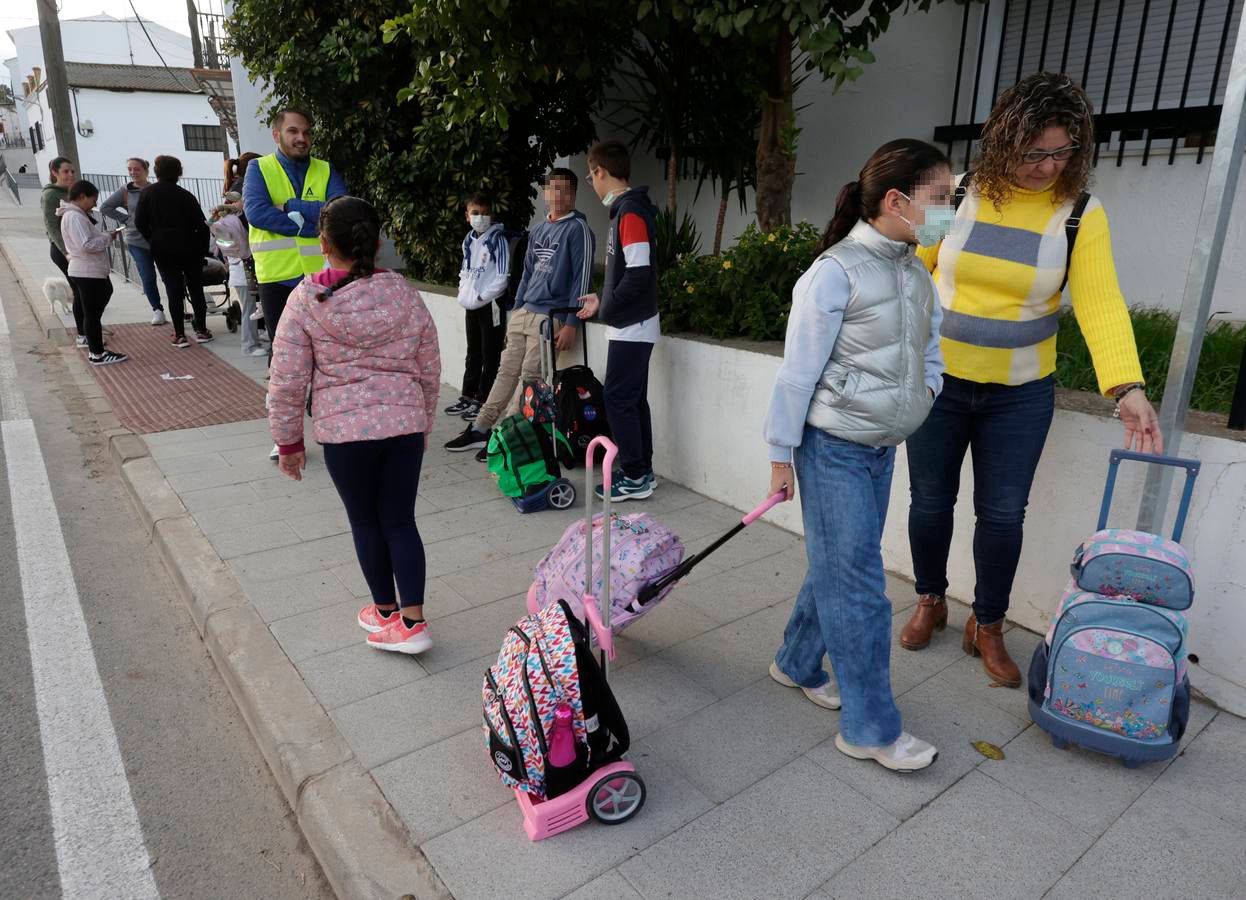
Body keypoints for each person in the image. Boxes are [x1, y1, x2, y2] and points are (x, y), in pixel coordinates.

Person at [899, 72, 1163, 688]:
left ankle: (986, 624)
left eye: (1062, 151)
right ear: (1002, 140)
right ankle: (930, 601)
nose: (1048, 166)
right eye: (1033, 151)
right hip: (939, 384)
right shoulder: (957, 192)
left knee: (1002, 516)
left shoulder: (1079, 215)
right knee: (930, 503)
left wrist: (1127, 387)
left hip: (1018, 396)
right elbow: (911, 265)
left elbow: (1100, 303)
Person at [764, 139, 952, 773]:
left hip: (881, 449)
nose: (950, 210)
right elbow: (796, 374)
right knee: (862, 589)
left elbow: (931, 351)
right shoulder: (834, 271)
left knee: (839, 566)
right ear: (896, 201)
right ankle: (870, 728)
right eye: (941, 200)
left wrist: (927, 392)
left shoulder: (916, 269)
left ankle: (795, 662)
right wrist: (779, 454)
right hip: (833, 448)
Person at [268, 197, 441, 655]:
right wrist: (422, 422)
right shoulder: (405, 293)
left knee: (365, 521)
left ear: (324, 244)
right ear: (378, 242)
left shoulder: (305, 300)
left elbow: (287, 379)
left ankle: (386, 612)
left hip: (346, 436)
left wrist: (288, 442)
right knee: (401, 522)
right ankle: (411, 622)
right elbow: (428, 365)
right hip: (403, 424)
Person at [444, 168, 593, 461]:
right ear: (546, 192)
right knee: (505, 372)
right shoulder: (538, 229)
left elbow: (582, 278)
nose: (559, 195)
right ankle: (481, 428)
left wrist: (572, 322)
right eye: (554, 189)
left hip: (551, 317)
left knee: (530, 379)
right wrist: (516, 309)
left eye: (566, 189)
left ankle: (507, 436)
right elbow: (525, 273)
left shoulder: (578, 230)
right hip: (524, 312)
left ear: (574, 194)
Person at [577, 140, 660, 501]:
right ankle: (642, 470)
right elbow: (627, 271)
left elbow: (639, 273)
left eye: (590, 176)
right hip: (631, 322)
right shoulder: (626, 211)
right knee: (632, 398)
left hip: (633, 323)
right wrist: (603, 298)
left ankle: (634, 474)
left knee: (618, 398)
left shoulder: (629, 213)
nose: (591, 184)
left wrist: (609, 306)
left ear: (601, 172)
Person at [243, 108, 347, 351]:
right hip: (277, 278)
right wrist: (311, 227)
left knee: (324, 350)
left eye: (307, 132)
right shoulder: (258, 168)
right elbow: (257, 214)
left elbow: (340, 211)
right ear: (276, 135)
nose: (302, 138)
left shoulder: (326, 169)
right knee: (283, 352)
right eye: (293, 131)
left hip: (323, 276)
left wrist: (289, 205)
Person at [134, 155, 213, 349]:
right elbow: (202, 226)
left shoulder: (147, 194)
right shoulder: (186, 196)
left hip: (162, 247)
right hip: (190, 247)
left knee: (173, 290)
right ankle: (201, 330)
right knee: (195, 289)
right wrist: (202, 250)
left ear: (156, 172)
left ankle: (179, 334)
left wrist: (153, 239)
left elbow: (139, 222)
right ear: (179, 172)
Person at [446, 192, 509, 422]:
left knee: (490, 354)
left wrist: (482, 296)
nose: (480, 218)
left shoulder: (497, 240)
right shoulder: (468, 240)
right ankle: (468, 396)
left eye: (484, 214)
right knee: (473, 352)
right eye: (475, 213)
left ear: (492, 215)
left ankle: (484, 400)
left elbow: (503, 276)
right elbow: (465, 271)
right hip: (471, 305)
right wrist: (465, 295)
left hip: (490, 305)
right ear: (467, 216)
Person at [58, 179, 128, 366]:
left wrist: (104, 236)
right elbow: (86, 245)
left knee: (92, 309)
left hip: (86, 269)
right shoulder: (75, 217)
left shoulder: (75, 215)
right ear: (82, 197)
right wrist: (107, 237)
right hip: (87, 270)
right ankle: (97, 353)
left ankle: (94, 348)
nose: (95, 204)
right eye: (93, 199)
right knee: (92, 314)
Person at [101, 157, 167, 326]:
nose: (132, 172)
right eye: (130, 169)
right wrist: (127, 219)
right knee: (148, 276)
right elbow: (105, 207)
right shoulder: (125, 191)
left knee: (168, 276)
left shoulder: (155, 189)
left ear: (146, 170)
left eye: (136, 169)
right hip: (136, 241)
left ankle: (178, 307)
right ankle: (157, 309)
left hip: (158, 240)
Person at [41, 156, 87, 346]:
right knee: (80, 291)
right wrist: (67, 253)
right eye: (65, 171)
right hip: (63, 251)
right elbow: (51, 226)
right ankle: (84, 334)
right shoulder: (51, 195)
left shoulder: (72, 191)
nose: (70, 174)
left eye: (72, 171)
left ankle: (89, 328)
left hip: (77, 248)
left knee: (88, 291)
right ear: (55, 173)